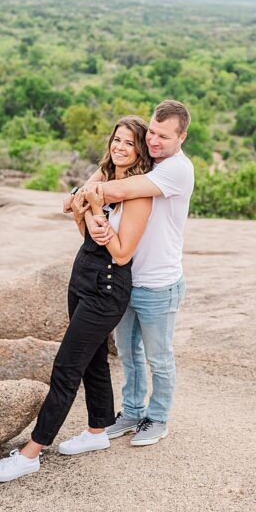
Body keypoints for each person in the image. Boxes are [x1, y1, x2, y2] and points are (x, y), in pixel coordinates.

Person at [0, 116, 153, 482]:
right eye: (117, 139)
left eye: (129, 143)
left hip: (108, 285)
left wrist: (92, 210)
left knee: (66, 367)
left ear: (140, 150)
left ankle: (32, 452)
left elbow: (122, 253)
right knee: (92, 359)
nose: (120, 147)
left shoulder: (139, 194)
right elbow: (78, 220)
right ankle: (97, 432)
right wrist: (84, 209)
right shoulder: (103, 178)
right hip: (82, 275)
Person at [75, 99, 194, 447]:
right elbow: (105, 175)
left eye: (165, 136)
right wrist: (82, 192)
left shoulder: (176, 169)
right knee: (128, 353)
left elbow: (120, 189)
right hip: (125, 279)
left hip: (158, 284)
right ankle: (130, 412)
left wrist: (81, 193)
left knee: (159, 357)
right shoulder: (146, 162)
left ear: (182, 137)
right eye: (152, 133)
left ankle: (157, 419)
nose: (155, 141)